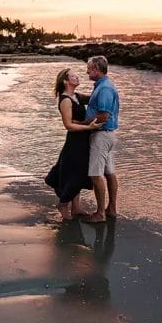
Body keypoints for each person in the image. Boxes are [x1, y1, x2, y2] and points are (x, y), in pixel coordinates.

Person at [44, 68, 103, 222]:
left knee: (76, 172)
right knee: (77, 173)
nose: (77, 77)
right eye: (73, 76)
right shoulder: (65, 100)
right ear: (65, 81)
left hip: (83, 140)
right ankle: (63, 204)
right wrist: (88, 127)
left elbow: (93, 99)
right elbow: (68, 125)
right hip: (75, 142)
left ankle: (75, 207)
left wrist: (103, 86)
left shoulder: (76, 96)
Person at [82, 55, 120, 223]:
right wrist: (74, 96)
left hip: (101, 135)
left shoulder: (104, 89)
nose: (87, 71)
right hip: (109, 135)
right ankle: (111, 209)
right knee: (109, 173)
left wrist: (79, 123)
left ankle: (100, 214)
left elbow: (103, 116)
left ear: (97, 69)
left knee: (96, 175)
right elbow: (94, 103)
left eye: (89, 68)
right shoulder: (102, 86)